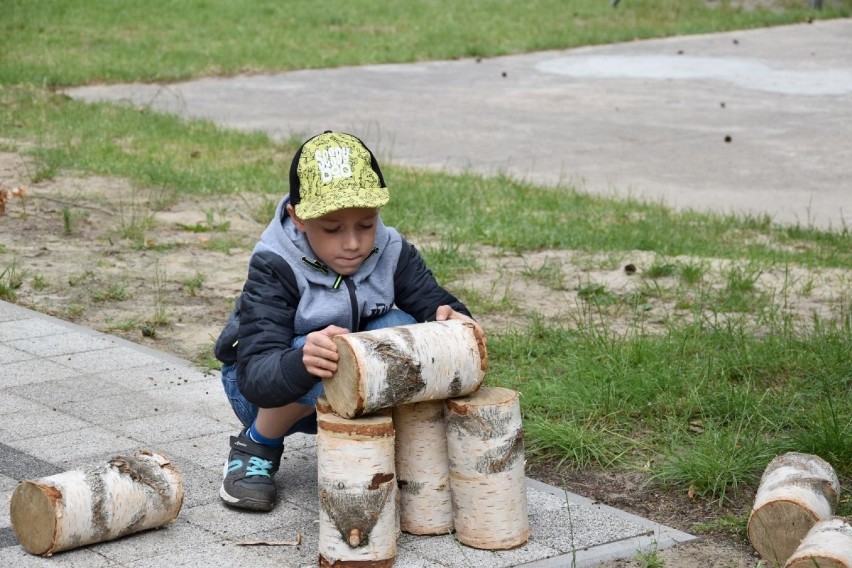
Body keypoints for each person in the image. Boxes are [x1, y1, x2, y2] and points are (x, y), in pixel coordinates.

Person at [213, 130, 485, 511]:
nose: (354, 243)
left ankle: (379, 447)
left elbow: (435, 304)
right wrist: (301, 361)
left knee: (400, 324)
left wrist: (455, 321)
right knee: (335, 351)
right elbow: (256, 374)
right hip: (267, 389)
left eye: (366, 224)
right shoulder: (275, 264)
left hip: (357, 387)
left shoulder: (391, 250)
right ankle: (257, 444)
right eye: (333, 229)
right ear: (298, 217)